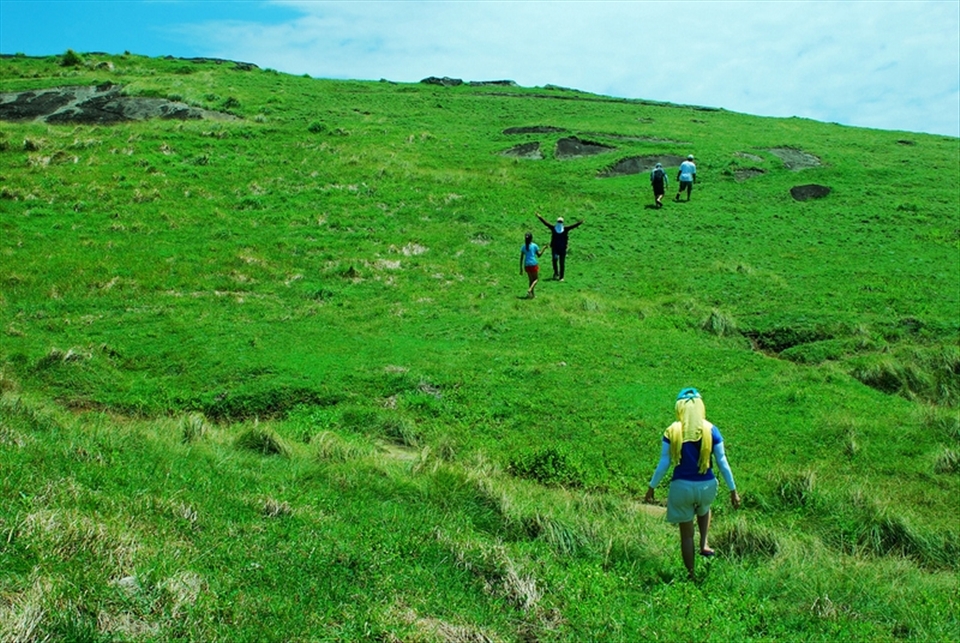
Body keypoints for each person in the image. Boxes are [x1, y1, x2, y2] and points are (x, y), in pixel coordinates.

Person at [644, 387, 740, 580]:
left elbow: (664, 463)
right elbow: (722, 462)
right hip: (706, 486)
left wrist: (651, 487)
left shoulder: (672, 431)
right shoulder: (711, 429)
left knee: (686, 535)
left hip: (681, 488)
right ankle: (704, 543)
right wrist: (733, 490)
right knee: (705, 509)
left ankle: (691, 574)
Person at [536, 213, 584, 281]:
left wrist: (580, 222)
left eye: (560, 222)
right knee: (554, 259)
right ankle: (556, 273)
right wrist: (540, 217)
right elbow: (546, 223)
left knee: (562, 262)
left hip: (562, 248)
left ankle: (561, 277)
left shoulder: (565, 229)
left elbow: (573, 226)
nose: (559, 223)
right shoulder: (553, 228)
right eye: (559, 222)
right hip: (555, 247)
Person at [519, 232, 546, 298]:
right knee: (536, 279)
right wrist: (544, 248)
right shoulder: (534, 245)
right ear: (531, 238)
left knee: (531, 280)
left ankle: (532, 295)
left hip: (526, 265)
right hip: (533, 264)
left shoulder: (523, 247)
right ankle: (530, 289)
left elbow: (521, 258)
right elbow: (539, 255)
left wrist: (521, 268)